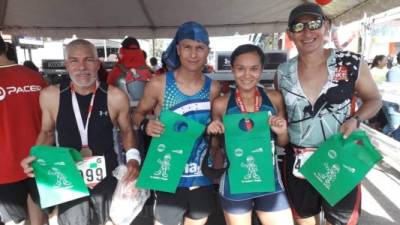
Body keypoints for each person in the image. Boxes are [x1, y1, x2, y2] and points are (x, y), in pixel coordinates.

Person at [275, 3, 382, 225]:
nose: (307, 32)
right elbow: (282, 117)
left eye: (314, 24)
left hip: (340, 158)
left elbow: (374, 99)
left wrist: (356, 119)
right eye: (298, 27)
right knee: (304, 221)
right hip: (298, 163)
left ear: (326, 27)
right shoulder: (282, 73)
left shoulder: (351, 63)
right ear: (290, 34)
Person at [21, 39, 141, 225]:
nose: (82, 67)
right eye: (74, 61)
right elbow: (47, 132)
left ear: (98, 63)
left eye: (88, 60)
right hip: (68, 177)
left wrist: (133, 158)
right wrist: (36, 156)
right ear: (67, 64)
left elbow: (126, 131)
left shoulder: (116, 96)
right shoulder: (50, 96)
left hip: (107, 177)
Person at [133, 21, 221, 225]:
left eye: (199, 48)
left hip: (201, 173)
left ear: (207, 51)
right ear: (178, 49)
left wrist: (216, 134)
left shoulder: (214, 88)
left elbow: (217, 134)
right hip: (166, 171)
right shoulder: (159, 83)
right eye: (188, 47)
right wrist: (146, 125)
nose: (193, 54)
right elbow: (136, 115)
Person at [207, 44, 294, 225]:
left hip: (269, 181)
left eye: (254, 68)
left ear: (262, 70)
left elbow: (283, 143)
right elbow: (216, 146)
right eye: (240, 69)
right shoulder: (221, 104)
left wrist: (282, 131)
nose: (247, 75)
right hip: (235, 182)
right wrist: (213, 131)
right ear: (232, 69)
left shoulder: (274, 98)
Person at [0, 35, 47, 225]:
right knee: (39, 219)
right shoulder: (35, 77)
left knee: (14, 222)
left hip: (5, 167)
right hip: (39, 161)